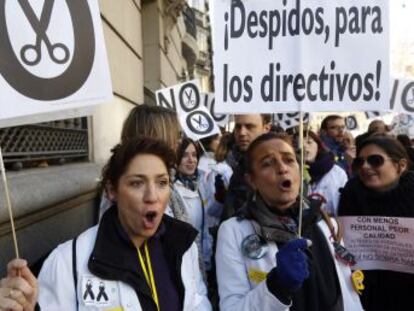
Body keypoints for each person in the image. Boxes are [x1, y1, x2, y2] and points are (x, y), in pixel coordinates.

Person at [0, 137, 212, 311]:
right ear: (112, 191)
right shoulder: (66, 262)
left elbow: (197, 302)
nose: (152, 196)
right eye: (137, 183)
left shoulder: (183, 247)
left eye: (162, 182)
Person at [216, 132, 363, 311]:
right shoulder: (234, 231)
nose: (282, 168)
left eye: (289, 160)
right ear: (251, 180)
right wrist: (276, 287)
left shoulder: (327, 223)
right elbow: (232, 307)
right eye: (267, 163)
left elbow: (349, 297)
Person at [338, 135, 414, 311]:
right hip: (365, 293)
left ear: (401, 165)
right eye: (359, 162)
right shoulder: (352, 191)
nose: (365, 167)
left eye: (375, 160)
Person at [99, 104, 188, 222]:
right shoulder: (120, 182)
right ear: (157, 135)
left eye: (162, 183)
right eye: (177, 134)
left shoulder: (169, 177)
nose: (180, 140)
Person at [174, 138, 220, 271]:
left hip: (203, 261)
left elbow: (208, 218)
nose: (191, 160)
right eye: (184, 155)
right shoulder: (172, 190)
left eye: (194, 155)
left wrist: (219, 198)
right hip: (184, 263)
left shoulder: (200, 185)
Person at [222, 114, 271, 220]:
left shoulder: (279, 169)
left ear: (266, 129)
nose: (242, 133)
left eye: (250, 127)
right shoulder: (239, 166)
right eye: (238, 127)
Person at [302, 131, 348, 216]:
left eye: (309, 142)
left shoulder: (337, 172)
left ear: (318, 146)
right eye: (298, 144)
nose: (304, 147)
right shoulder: (290, 173)